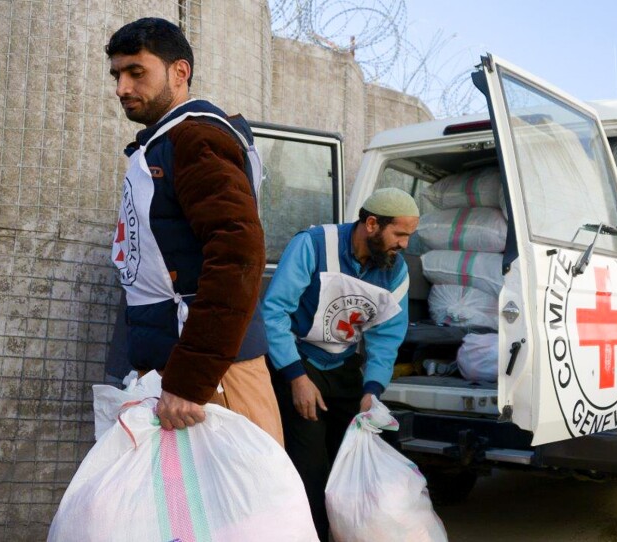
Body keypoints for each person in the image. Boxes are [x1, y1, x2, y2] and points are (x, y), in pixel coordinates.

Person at [106, 17, 282, 445]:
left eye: (136, 72)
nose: (121, 88)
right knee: (182, 510)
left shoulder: (196, 139)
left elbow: (238, 257)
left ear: (179, 72)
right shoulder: (163, 143)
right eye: (116, 75)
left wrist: (191, 379)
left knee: (247, 508)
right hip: (181, 371)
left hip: (212, 378)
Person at [262, 188, 420, 539]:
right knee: (311, 468)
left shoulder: (394, 270)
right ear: (372, 224)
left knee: (361, 459)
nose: (405, 245)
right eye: (400, 234)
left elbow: (386, 336)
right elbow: (274, 312)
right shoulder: (313, 245)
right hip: (299, 363)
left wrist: (372, 390)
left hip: (344, 367)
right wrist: (296, 378)